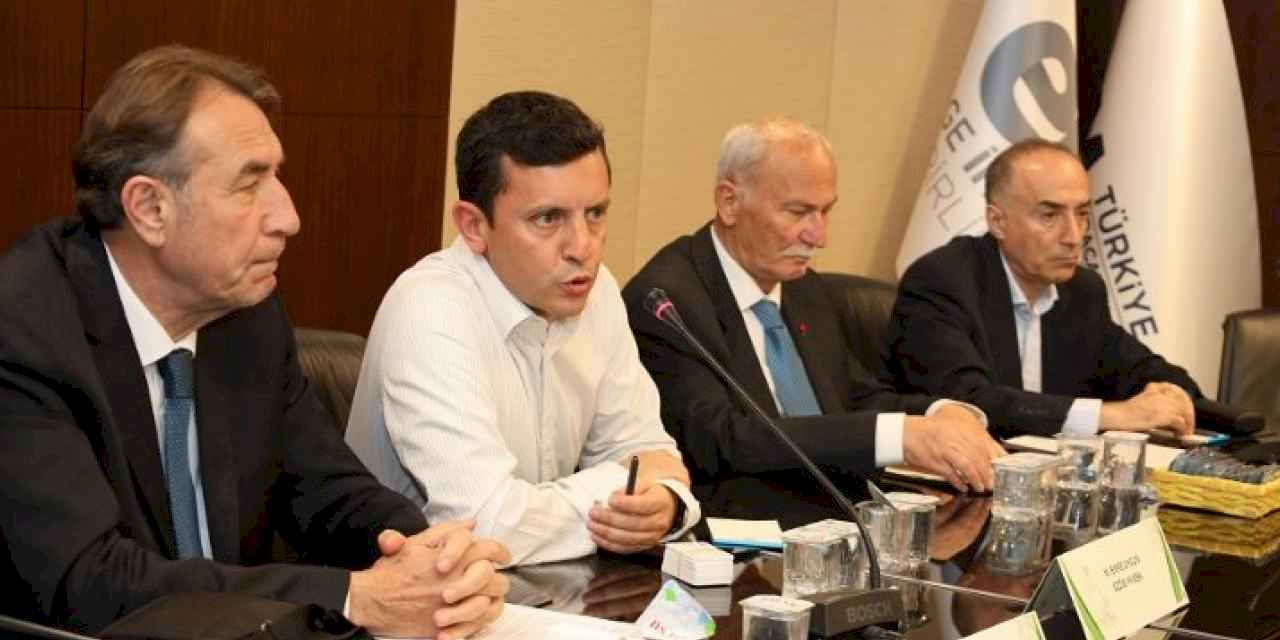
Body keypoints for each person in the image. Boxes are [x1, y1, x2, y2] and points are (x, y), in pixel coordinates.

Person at [0, 45, 509, 639]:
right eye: (249, 184)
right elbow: (91, 582)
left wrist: (431, 557)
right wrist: (354, 597)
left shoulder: (246, 315)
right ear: (149, 207)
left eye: (276, 176)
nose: (288, 217)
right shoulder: (23, 329)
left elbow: (328, 491)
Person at [345, 91, 701, 566]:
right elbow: (487, 523)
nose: (583, 247)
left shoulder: (596, 291)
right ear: (474, 227)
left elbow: (646, 450)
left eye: (595, 213)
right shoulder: (429, 308)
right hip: (408, 597)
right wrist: (625, 482)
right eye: (548, 219)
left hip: (545, 585)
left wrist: (665, 505)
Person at [621, 116, 1005, 521]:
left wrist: (938, 413)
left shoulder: (803, 288)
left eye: (825, 211)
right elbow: (725, 440)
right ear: (729, 202)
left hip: (832, 519)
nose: (819, 237)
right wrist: (898, 437)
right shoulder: (667, 302)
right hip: (737, 529)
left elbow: (852, 398)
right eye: (798, 212)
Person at [888, 139, 1201, 437]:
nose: (1074, 236)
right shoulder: (942, 282)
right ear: (997, 222)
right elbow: (968, 403)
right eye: (1050, 216)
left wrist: (1172, 395)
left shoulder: (1082, 291)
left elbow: (1141, 369)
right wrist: (1112, 415)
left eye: (1082, 214)